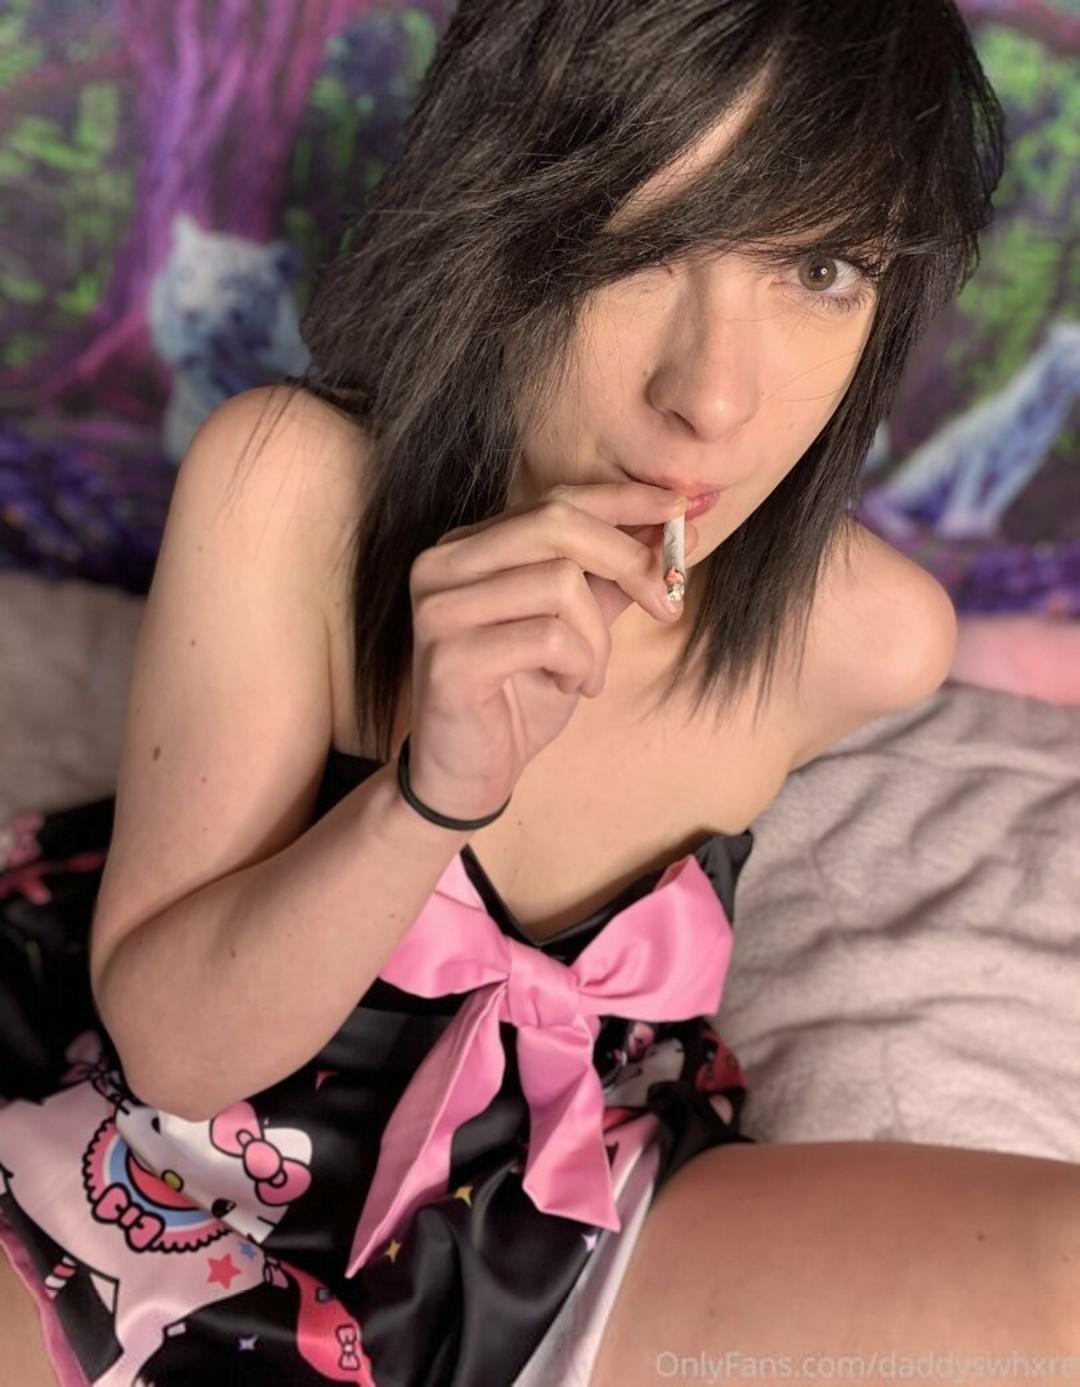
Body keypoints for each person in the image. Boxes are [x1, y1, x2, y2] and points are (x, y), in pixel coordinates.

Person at [3, 1, 1078, 1383]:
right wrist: (428, 798)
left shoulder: (864, 640)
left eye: (819, 268)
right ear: (497, 218)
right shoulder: (292, 490)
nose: (712, 401)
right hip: (150, 1168)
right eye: (642, 242)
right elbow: (178, 1056)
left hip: (562, 1210)